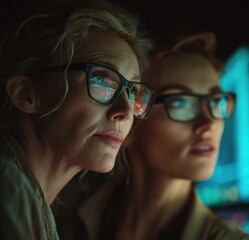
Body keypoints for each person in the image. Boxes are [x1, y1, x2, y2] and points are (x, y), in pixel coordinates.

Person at [56, 28, 249, 240]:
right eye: (180, 103)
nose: (208, 123)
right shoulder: (62, 211)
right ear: (128, 116)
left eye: (215, 102)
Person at [0, 0, 155, 239]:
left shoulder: (31, 204)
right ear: (27, 94)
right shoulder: (8, 189)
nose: (126, 111)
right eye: (102, 81)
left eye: (133, 91)